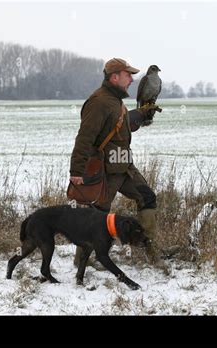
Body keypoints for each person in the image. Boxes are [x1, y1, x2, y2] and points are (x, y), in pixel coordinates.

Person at [69, 57, 163, 268]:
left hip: (125, 169)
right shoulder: (98, 102)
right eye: (128, 75)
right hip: (105, 171)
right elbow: (85, 137)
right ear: (114, 77)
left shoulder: (115, 101)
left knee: (147, 198)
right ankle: (82, 260)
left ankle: (149, 252)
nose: (132, 79)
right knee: (97, 214)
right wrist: (77, 170)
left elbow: (121, 126)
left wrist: (141, 114)